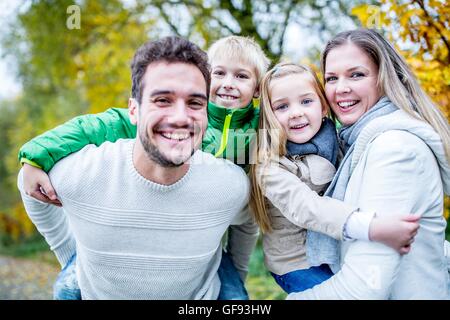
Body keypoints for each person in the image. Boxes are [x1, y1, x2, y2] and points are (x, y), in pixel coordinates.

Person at [18, 35, 269, 300]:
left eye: (194, 103)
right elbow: (96, 127)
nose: (180, 117)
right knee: (67, 290)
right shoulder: (86, 170)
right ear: (134, 110)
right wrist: (36, 155)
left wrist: (239, 274)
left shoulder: (258, 132)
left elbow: (250, 215)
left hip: (208, 250)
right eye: (163, 100)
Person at [287, 28, 450, 299]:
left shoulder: (394, 149)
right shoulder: (358, 144)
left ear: (386, 79)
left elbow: (364, 286)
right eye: (331, 78)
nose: (341, 89)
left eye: (356, 75)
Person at [249, 62, 420, 294]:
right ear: (269, 116)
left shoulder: (337, 143)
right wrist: (371, 227)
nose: (296, 112)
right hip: (298, 263)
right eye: (282, 106)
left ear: (323, 107)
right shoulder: (270, 166)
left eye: (306, 101)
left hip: (339, 250)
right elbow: (308, 208)